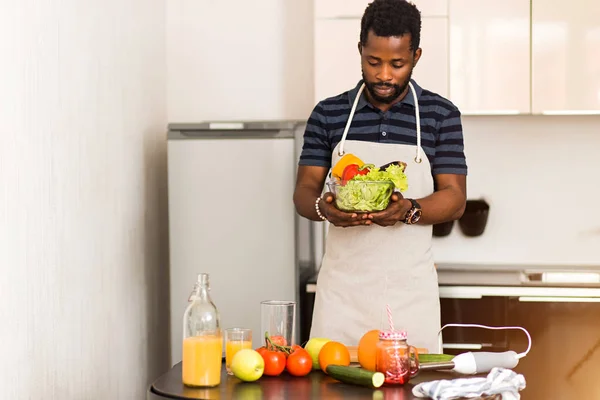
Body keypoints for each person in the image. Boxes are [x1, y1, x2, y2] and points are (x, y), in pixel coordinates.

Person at [293, 0, 467, 352]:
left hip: (409, 299)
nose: (384, 74)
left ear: (416, 56)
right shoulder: (328, 114)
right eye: (373, 61)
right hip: (342, 298)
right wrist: (324, 209)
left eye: (397, 63)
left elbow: (455, 198)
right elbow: (304, 191)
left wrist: (408, 210)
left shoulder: (440, 115)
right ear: (360, 51)